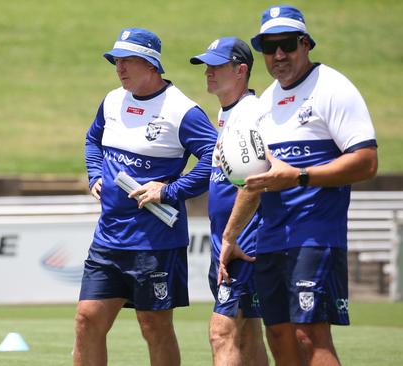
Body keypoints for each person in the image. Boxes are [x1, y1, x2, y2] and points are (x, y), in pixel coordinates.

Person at [219, 5, 378, 366]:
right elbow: (254, 182)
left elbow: (367, 161)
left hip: (315, 236)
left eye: (287, 44)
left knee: (310, 335)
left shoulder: (333, 88)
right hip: (271, 239)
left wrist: (300, 176)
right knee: (279, 335)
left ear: (305, 44)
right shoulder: (264, 104)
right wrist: (231, 236)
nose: (278, 55)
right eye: (268, 47)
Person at [74, 28, 217, 366]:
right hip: (109, 237)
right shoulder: (111, 100)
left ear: (151, 64)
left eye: (127, 61)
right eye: (116, 61)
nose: (119, 68)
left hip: (155, 242)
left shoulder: (182, 110)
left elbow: (215, 156)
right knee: (87, 320)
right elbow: (93, 140)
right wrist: (95, 174)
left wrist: (169, 190)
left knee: (153, 326)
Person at [189, 37, 268, 366]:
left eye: (217, 66)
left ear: (241, 70)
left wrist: (231, 237)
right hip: (232, 237)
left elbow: (255, 184)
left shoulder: (251, 114)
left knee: (222, 332)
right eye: (207, 65)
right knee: (249, 332)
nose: (208, 71)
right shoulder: (228, 114)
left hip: (242, 239)